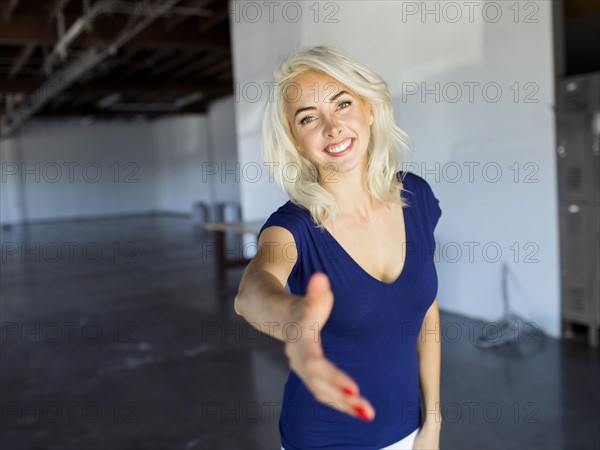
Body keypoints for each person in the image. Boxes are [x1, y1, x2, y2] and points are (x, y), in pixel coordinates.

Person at [234, 45, 442, 450]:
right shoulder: (293, 227)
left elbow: (427, 315)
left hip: (410, 430)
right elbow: (251, 293)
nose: (332, 127)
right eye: (308, 118)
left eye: (342, 103)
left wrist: (432, 423)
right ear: (295, 140)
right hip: (324, 438)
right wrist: (295, 317)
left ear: (370, 108)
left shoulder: (415, 195)